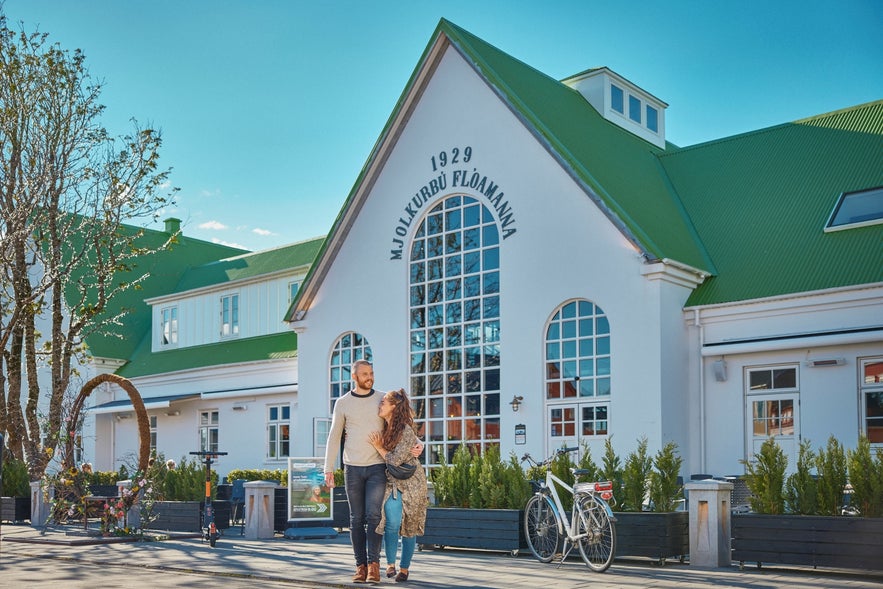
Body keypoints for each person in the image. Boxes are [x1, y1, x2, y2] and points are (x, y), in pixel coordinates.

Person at [323, 360, 423, 584]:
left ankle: (374, 566)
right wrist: (328, 468)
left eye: (371, 373)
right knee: (356, 519)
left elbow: (401, 422)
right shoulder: (343, 403)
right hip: (352, 468)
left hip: (378, 467)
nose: (370, 377)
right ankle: (360, 566)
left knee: (375, 517)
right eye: (365, 374)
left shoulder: (382, 399)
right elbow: (333, 437)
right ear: (354, 376)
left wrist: (420, 444)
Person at [368, 388, 428, 584]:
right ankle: (390, 564)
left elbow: (394, 459)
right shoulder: (384, 426)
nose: (380, 405)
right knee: (392, 524)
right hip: (393, 483)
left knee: (409, 527)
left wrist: (378, 447)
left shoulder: (405, 429)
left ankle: (404, 569)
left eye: (383, 403)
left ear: (393, 407)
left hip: (412, 483)